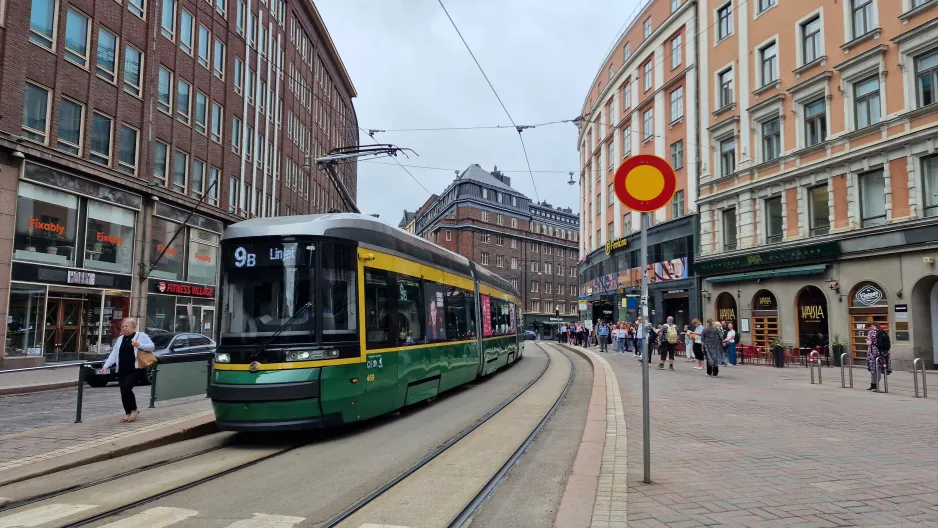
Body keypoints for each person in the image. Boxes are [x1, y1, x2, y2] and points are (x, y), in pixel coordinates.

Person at [100, 318, 155, 423]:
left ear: (133, 327)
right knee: (123, 392)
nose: (124, 328)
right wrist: (106, 365)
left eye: (127, 326)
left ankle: (134, 410)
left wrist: (139, 345)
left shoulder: (140, 336)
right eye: (123, 326)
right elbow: (114, 354)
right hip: (123, 369)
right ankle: (128, 412)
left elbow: (152, 347)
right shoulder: (120, 339)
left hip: (135, 369)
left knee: (126, 388)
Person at [866, 322, 891, 391]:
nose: (868, 329)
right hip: (882, 353)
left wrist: (867, 341)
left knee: (874, 370)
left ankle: (874, 386)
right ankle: (874, 386)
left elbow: (869, 343)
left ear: (872, 326)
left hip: (873, 353)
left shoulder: (871, 332)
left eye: (869, 327)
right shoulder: (883, 332)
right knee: (879, 369)